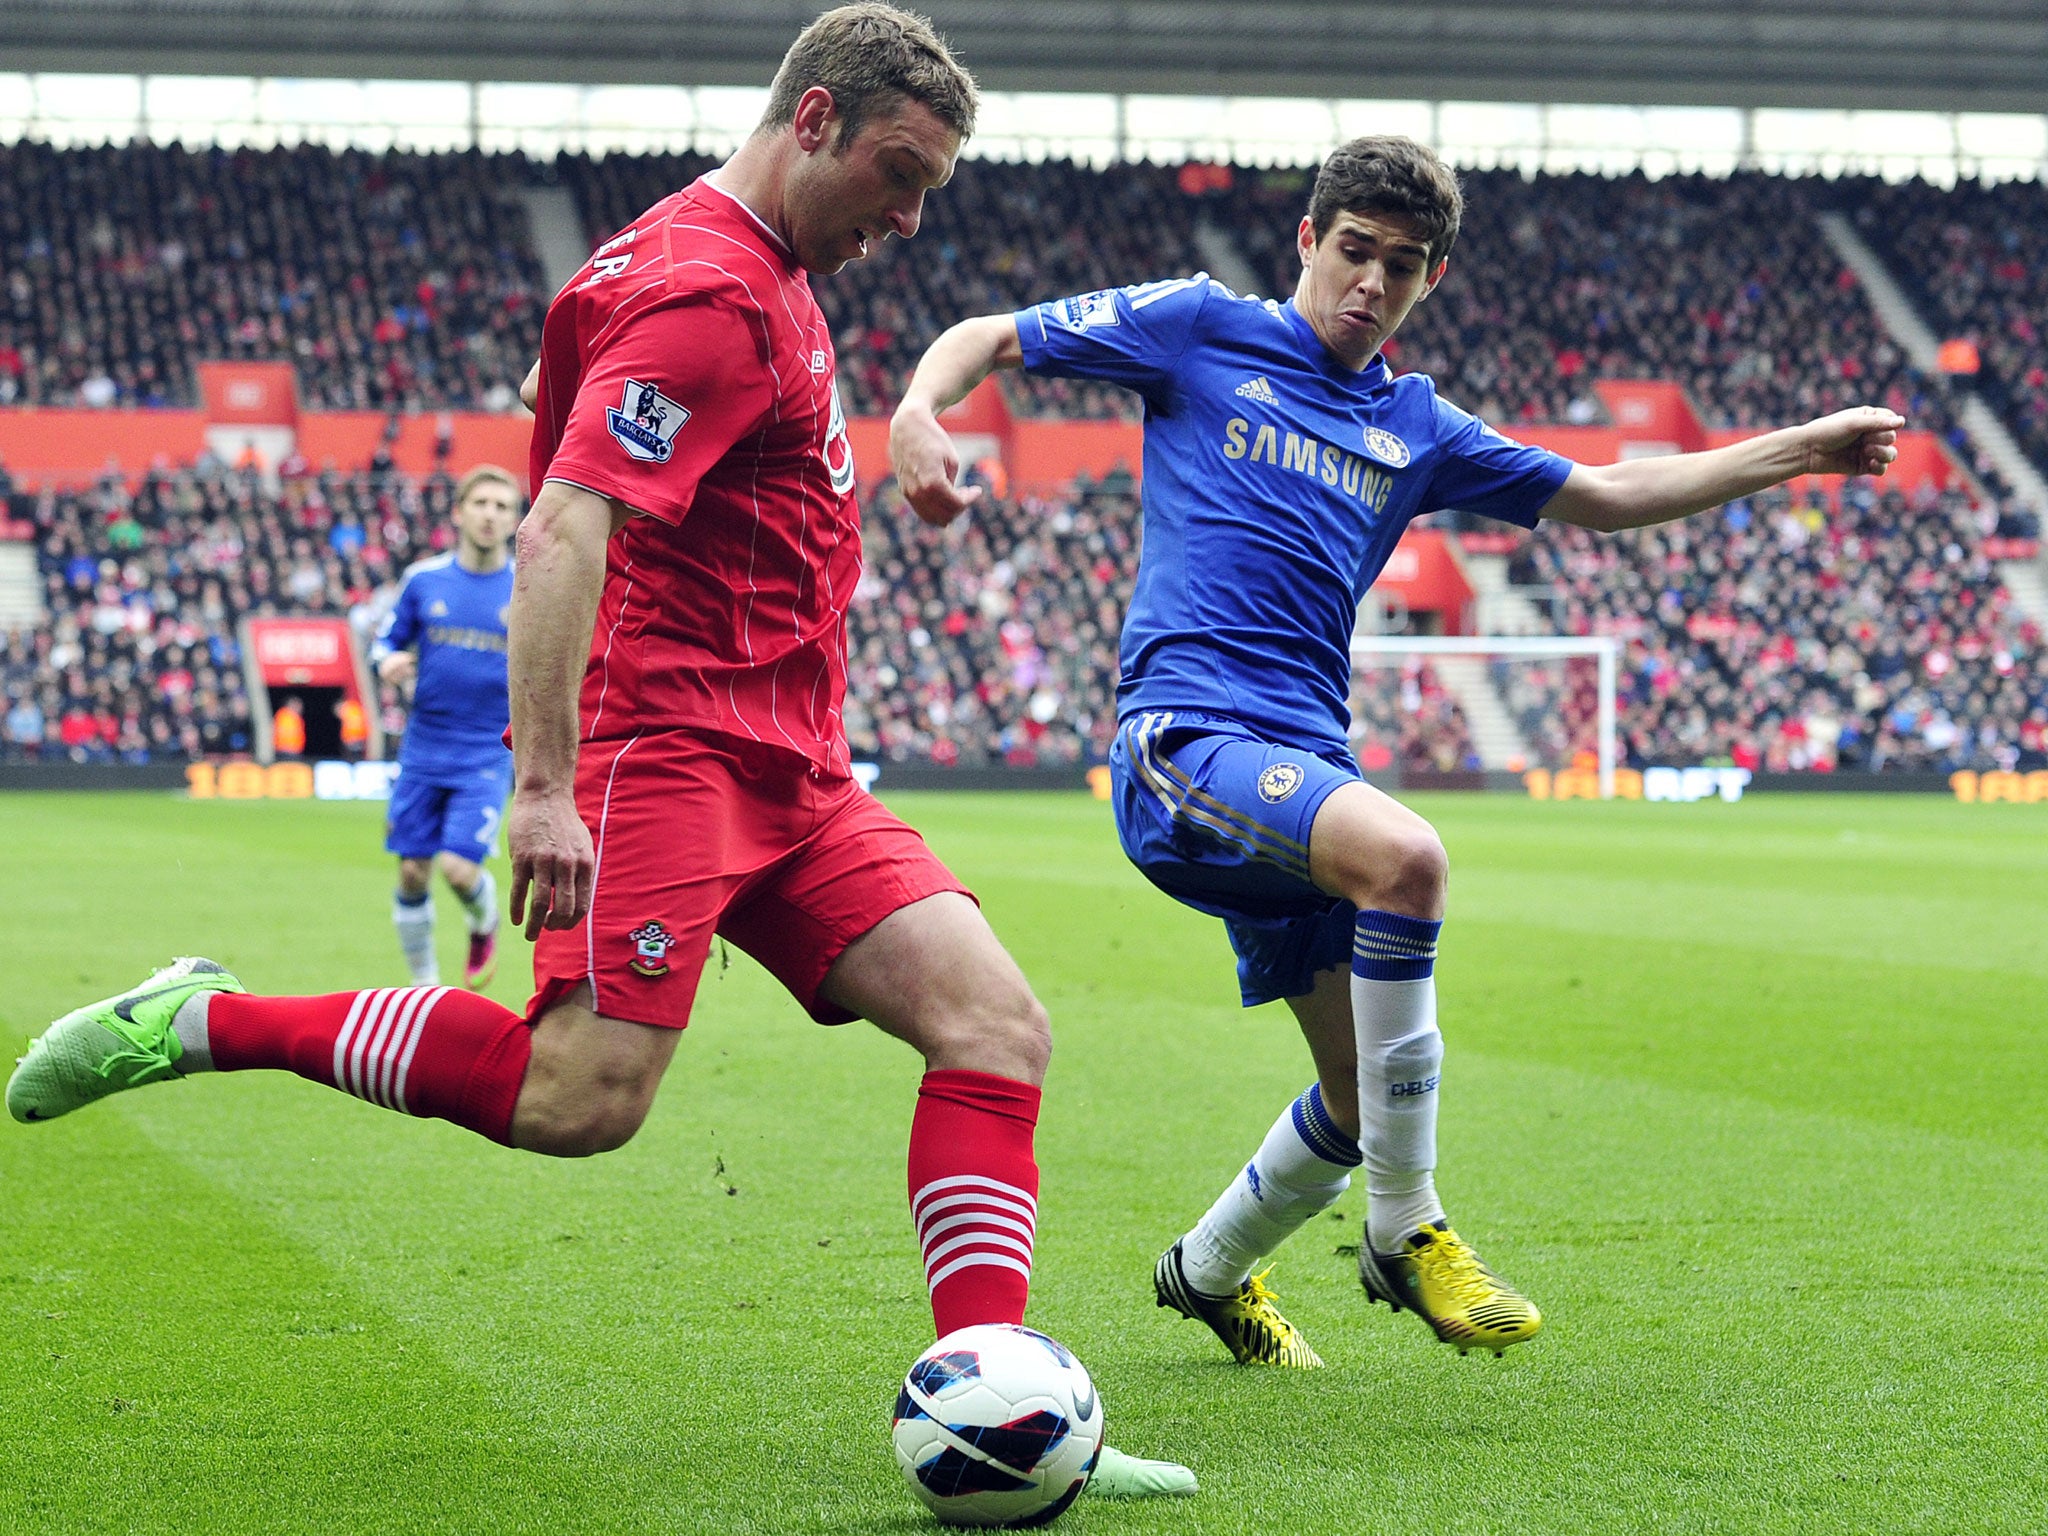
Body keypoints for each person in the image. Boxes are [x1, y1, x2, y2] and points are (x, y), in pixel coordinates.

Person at [8, 3, 1188, 1499]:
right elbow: (567, 520)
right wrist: (549, 784)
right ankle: (203, 1018)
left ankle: (1000, 1406)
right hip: (672, 749)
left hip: (793, 761)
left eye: (930, 191)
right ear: (813, 118)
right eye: (900, 174)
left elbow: (559, 412)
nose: (908, 217)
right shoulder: (708, 291)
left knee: (996, 1028)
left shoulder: (708, 263)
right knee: (579, 1100)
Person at [890, 134, 1902, 1366]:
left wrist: (1799, 450)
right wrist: (917, 410)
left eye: (1401, 266)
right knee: (1408, 861)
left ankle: (1207, 1271)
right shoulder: (1198, 328)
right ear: (1307, 241)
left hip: (1297, 770)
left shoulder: (1416, 426)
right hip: (1184, 743)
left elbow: (1608, 495)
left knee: (1361, 1094)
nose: (1368, 283)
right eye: (1352, 251)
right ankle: (1402, 1227)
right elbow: (988, 337)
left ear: (1430, 281)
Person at [370, 464, 521, 989]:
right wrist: (386, 660)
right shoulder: (424, 580)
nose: (490, 515)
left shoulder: (527, 587)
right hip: (423, 747)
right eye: (481, 503)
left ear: (515, 521)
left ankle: (484, 923)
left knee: (458, 869)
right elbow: (385, 640)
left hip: (487, 750)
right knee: (412, 871)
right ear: (459, 512)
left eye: (503, 507)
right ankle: (425, 991)